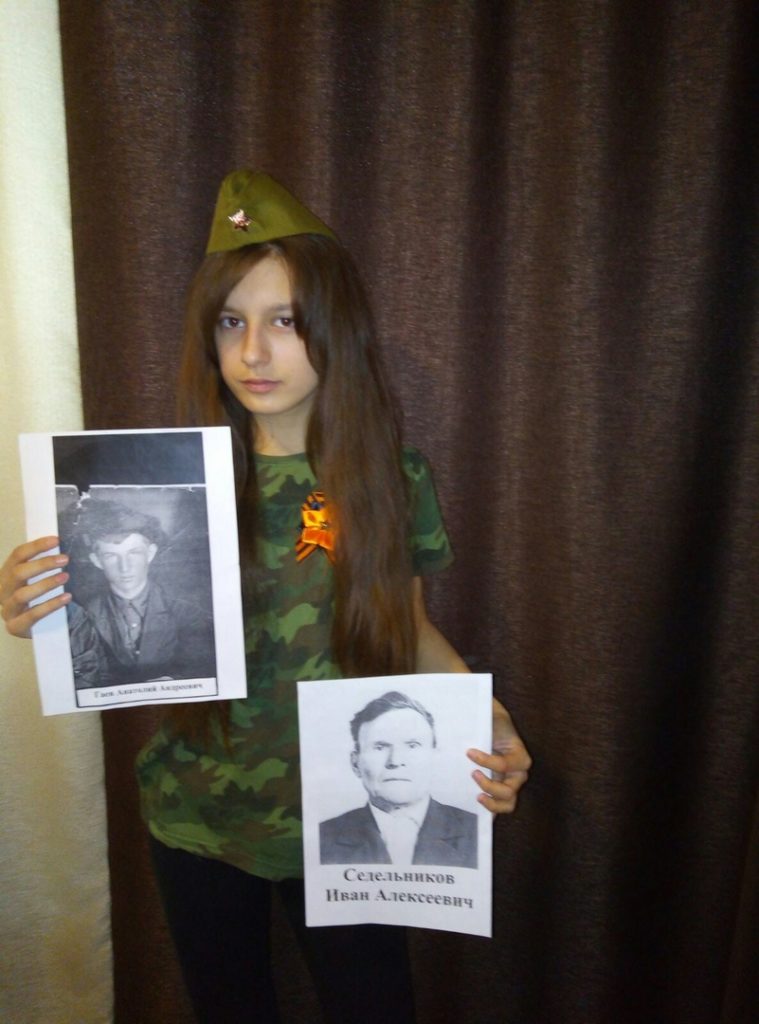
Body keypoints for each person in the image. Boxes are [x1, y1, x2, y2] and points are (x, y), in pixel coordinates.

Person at [0, 170, 531, 1024]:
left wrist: (484, 717)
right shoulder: (166, 482)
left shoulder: (390, 479)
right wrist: (43, 610)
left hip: (348, 816)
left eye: (284, 320)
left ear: (334, 327)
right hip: (197, 818)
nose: (253, 352)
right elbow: (117, 635)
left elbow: (408, 628)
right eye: (230, 321)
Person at [320, 690, 478, 868]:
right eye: (380, 747)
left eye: (412, 745)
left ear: (434, 758)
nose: (395, 761)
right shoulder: (321, 838)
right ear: (355, 763)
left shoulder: (476, 831)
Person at [68, 500, 216, 686]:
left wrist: (173, 681)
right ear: (96, 560)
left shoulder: (186, 609)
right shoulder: (84, 615)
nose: (125, 567)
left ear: (150, 553)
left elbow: (203, 666)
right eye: (111, 555)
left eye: (134, 553)